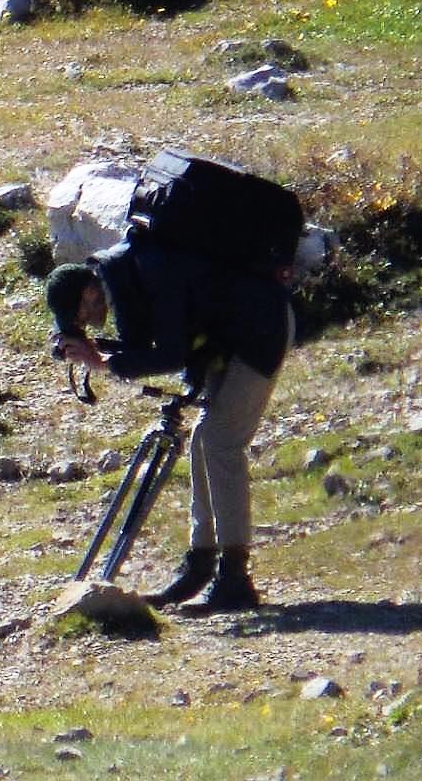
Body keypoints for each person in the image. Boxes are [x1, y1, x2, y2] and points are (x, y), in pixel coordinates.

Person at [45, 240, 292, 615]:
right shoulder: (126, 278)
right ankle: (201, 563)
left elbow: (170, 354)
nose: (84, 325)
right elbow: (150, 346)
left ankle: (234, 578)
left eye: (78, 317)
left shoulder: (149, 274)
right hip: (230, 339)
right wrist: (100, 352)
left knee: (221, 441)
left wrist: (104, 362)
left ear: (89, 293)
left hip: (261, 330)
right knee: (203, 439)